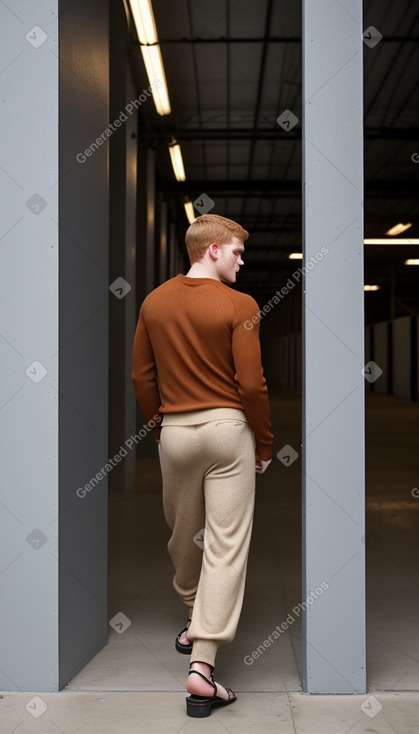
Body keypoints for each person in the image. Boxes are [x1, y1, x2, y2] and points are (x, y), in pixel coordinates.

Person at [131, 213, 273, 718]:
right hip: (228, 431)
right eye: (236, 251)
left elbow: (141, 377)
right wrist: (264, 443)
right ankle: (202, 668)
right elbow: (252, 385)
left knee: (184, 535)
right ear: (211, 250)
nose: (242, 259)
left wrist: (160, 427)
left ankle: (193, 616)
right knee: (226, 545)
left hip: (176, 432)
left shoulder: (153, 301)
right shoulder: (241, 305)